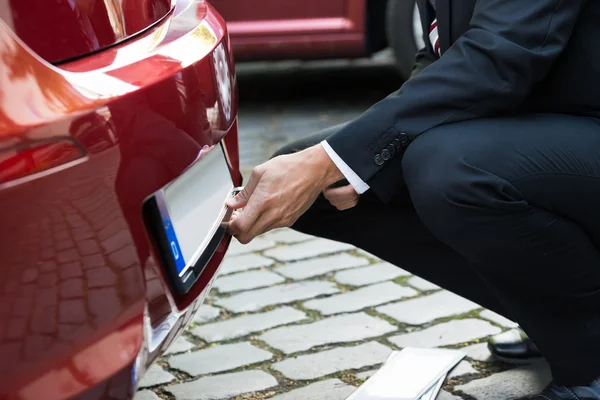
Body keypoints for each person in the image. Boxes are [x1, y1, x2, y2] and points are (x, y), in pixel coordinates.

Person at [226, 1, 600, 398]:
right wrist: (358, 158)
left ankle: (589, 361)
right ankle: (553, 319)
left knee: (450, 171)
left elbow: (500, 56)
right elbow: (440, 50)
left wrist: (334, 160)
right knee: (315, 186)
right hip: (540, 127)